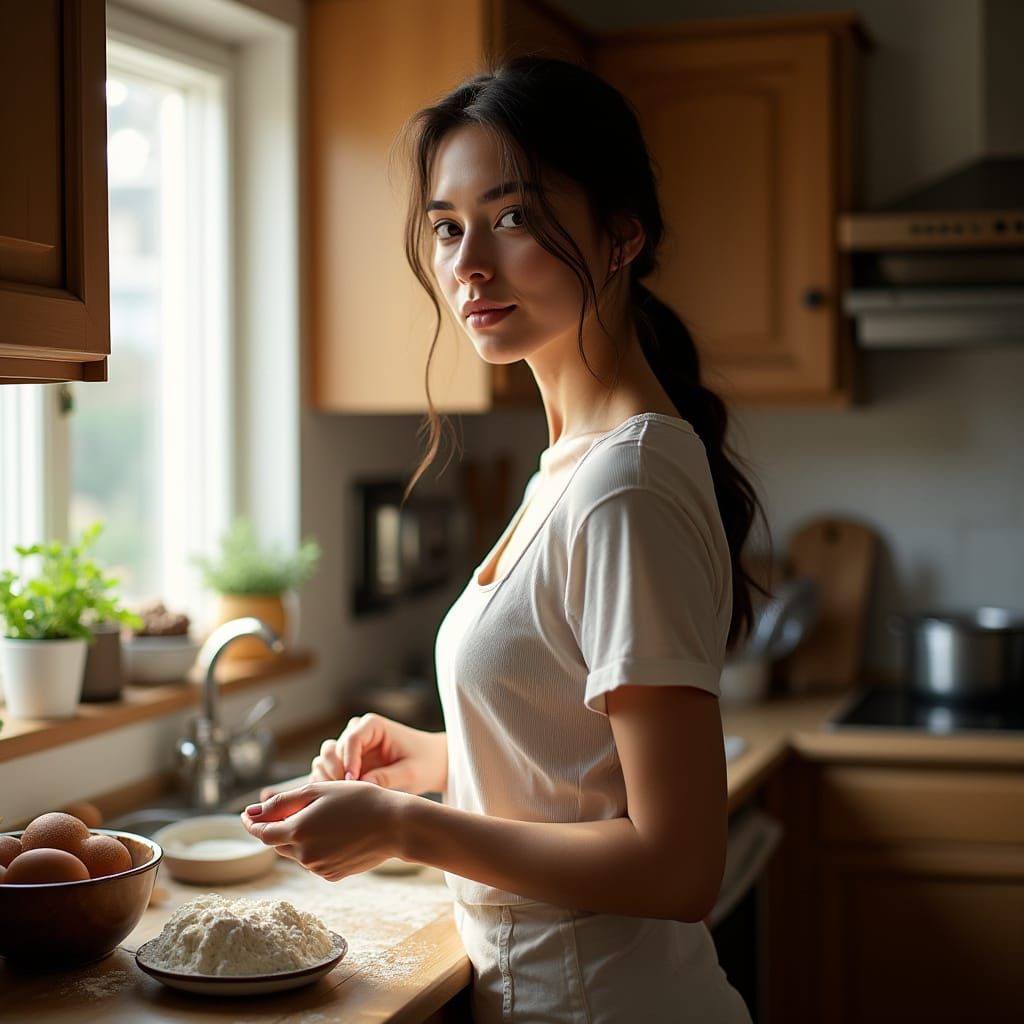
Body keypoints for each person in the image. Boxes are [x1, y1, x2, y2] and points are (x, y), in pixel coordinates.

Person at [242, 56, 766, 1023]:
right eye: (447, 228)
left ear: (621, 234)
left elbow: (678, 864)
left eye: (513, 217)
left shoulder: (624, 484)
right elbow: (575, 754)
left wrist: (410, 824)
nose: (467, 265)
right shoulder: (574, 463)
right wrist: (440, 760)